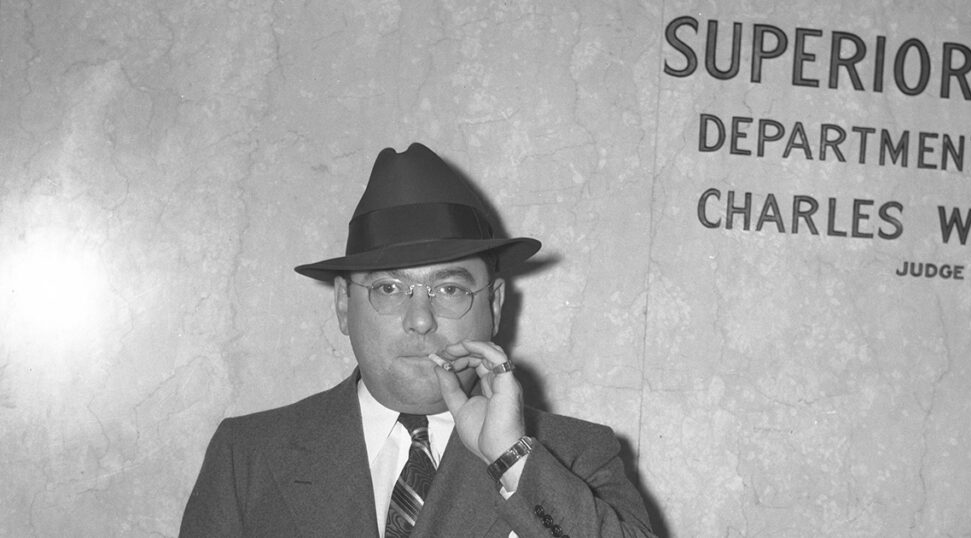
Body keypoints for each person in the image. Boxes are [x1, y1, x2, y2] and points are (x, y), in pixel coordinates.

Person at [180, 143, 656, 537]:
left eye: (449, 290)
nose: (421, 319)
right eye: (389, 289)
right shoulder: (249, 455)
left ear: (493, 305)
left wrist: (511, 457)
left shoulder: (574, 454)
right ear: (345, 305)